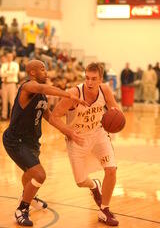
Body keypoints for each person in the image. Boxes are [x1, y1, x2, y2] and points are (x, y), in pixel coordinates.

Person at [2, 60, 87, 227]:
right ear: (32, 73)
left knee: (30, 173)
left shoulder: (40, 96)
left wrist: (67, 131)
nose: (46, 71)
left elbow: (48, 116)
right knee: (39, 175)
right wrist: (68, 94)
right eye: (42, 69)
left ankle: (28, 196)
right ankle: (22, 209)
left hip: (31, 141)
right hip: (15, 140)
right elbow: (42, 87)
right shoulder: (27, 87)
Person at [50, 62, 123, 226]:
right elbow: (54, 117)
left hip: (98, 134)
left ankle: (104, 210)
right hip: (77, 138)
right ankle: (94, 185)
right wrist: (68, 132)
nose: (89, 82)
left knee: (111, 169)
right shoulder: (74, 93)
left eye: (94, 79)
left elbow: (115, 111)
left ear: (101, 79)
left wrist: (116, 120)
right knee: (80, 181)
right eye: (87, 78)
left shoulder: (105, 90)